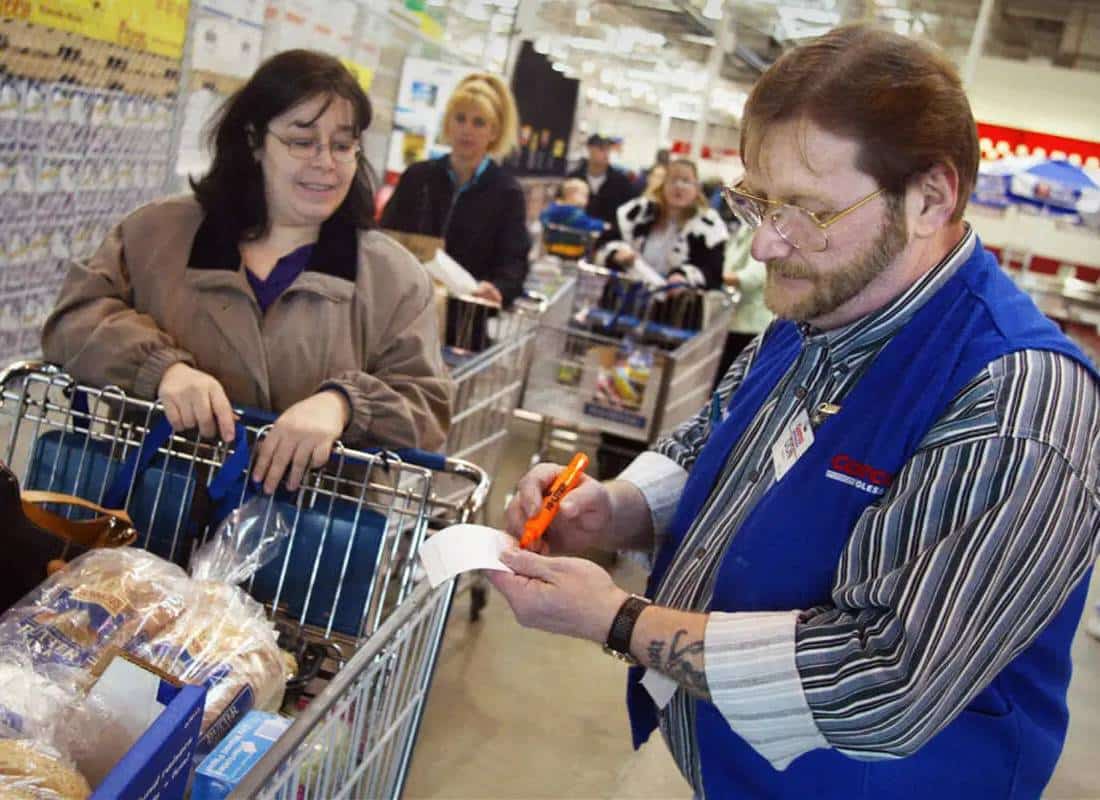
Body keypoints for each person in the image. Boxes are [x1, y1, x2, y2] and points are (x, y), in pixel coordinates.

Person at [487, 24, 1100, 799]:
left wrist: (618, 621)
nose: (766, 247)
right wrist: (614, 508)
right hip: (708, 750)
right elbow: (717, 439)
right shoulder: (819, 311)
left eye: (806, 211)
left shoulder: (1017, 402)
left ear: (930, 196)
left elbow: (887, 682)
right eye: (759, 202)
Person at [42, 50, 452, 495]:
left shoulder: (394, 279)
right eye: (301, 140)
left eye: (342, 144)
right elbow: (74, 319)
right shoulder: (156, 234)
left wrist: (344, 405)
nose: (325, 163)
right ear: (255, 140)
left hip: (303, 544)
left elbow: (427, 407)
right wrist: (161, 369)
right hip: (144, 514)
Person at [381, 73, 529, 306]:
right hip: (402, 306)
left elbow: (514, 263)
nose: (467, 130)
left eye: (479, 122)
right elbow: (385, 236)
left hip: (462, 317)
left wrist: (499, 288)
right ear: (448, 123)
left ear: (494, 131)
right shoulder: (417, 177)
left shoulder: (507, 193)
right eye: (460, 119)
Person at [595, 158, 728, 290]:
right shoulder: (638, 211)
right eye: (673, 180)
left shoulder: (710, 225)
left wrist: (685, 276)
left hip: (677, 304)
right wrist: (616, 253)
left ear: (697, 188)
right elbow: (604, 243)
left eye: (686, 181)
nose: (679, 186)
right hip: (625, 292)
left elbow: (714, 272)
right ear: (663, 184)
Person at [713, 223, 772, 390]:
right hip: (732, 321)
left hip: (750, 326)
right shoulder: (743, 228)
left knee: (728, 388)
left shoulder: (766, 232)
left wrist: (711, 278)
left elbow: (752, 278)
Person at [568, 133, 638, 225]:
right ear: (589, 149)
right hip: (575, 233)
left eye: (608, 149)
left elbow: (630, 212)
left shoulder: (621, 182)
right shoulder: (574, 178)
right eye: (601, 148)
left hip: (608, 236)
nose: (606, 153)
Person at [539, 178, 606, 234]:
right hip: (572, 246)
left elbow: (543, 217)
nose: (587, 200)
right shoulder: (573, 212)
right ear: (571, 194)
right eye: (584, 195)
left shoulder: (552, 208)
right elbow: (586, 223)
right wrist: (602, 225)